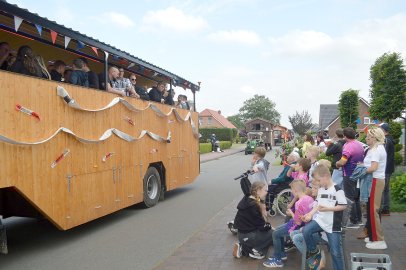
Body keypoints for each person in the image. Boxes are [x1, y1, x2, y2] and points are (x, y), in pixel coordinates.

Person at [302, 165, 347, 270]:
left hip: (332, 225)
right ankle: (314, 251)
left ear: (326, 176)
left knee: (336, 253)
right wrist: (310, 214)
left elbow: (343, 206)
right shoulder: (321, 189)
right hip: (320, 221)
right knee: (306, 230)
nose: (318, 183)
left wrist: (327, 208)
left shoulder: (337, 189)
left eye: (319, 180)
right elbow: (318, 203)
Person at [263, 180, 314, 268]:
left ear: (295, 191)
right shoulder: (309, 198)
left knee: (275, 234)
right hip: (305, 224)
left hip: (297, 225)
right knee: (278, 230)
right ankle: (282, 253)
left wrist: (291, 212)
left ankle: (277, 259)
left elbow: (297, 221)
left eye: (292, 190)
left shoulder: (299, 203)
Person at [232, 181, 274, 259]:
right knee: (273, 234)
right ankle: (255, 251)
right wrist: (269, 225)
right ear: (258, 191)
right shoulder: (253, 206)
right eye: (265, 190)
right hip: (248, 235)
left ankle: (244, 247)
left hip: (243, 235)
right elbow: (262, 226)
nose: (267, 192)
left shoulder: (248, 198)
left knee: (269, 235)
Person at [363, 128, 387, 249]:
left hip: (375, 180)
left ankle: (379, 240)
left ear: (376, 137)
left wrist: (361, 171)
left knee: (373, 210)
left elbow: (373, 167)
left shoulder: (377, 150)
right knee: (371, 209)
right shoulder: (378, 148)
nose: (368, 138)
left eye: (370, 136)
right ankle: (373, 236)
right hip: (375, 180)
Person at [336, 127, 364, 229]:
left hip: (349, 173)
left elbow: (343, 161)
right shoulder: (359, 144)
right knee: (356, 197)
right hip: (358, 173)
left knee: (349, 197)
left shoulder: (347, 146)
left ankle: (354, 221)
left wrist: (337, 164)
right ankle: (359, 219)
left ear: (345, 136)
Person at [379, 123, 395, 216]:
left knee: (382, 189)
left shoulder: (386, 141)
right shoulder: (390, 139)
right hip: (389, 167)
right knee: (385, 189)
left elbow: (382, 155)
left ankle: (382, 209)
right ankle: (385, 209)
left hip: (385, 168)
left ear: (383, 131)